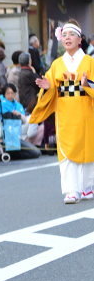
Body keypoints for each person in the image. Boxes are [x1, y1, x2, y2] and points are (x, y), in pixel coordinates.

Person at [28, 22, 94, 204]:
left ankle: (88, 187)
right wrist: (48, 87)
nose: (67, 38)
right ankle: (72, 190)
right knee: (66, 152)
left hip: (86, 113)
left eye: (72, 34)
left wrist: (87, 85)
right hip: (65, 114)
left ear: (80, 40)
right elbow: (50, 87)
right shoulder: (57, 64)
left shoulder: (90, 62)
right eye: (64, 35)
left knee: (88, 151)